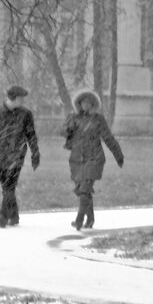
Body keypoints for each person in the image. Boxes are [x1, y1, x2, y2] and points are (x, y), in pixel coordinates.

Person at [0, 84, 40, 229]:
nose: (22, 102)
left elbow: (31, 135)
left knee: (9, 186)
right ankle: (14, 216)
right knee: (7, 188)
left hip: (17, 155)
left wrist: (35, 153)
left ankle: (3, 215)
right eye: (20, 99)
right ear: (12, 98)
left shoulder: (25, 114)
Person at [63, 90, 123, 230]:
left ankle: (79, 219)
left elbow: (108, 137)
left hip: (94, 158)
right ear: (79, 103)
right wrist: (68, 127)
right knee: (82, 190)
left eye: (88, 102)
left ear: (93, 104)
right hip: (77, 159)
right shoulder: (74, 118)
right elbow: (65, 134)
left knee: (85, 189)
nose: (85, 105)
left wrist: (118, 154)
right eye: (82, 102)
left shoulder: (98, 119)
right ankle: (90, 219)